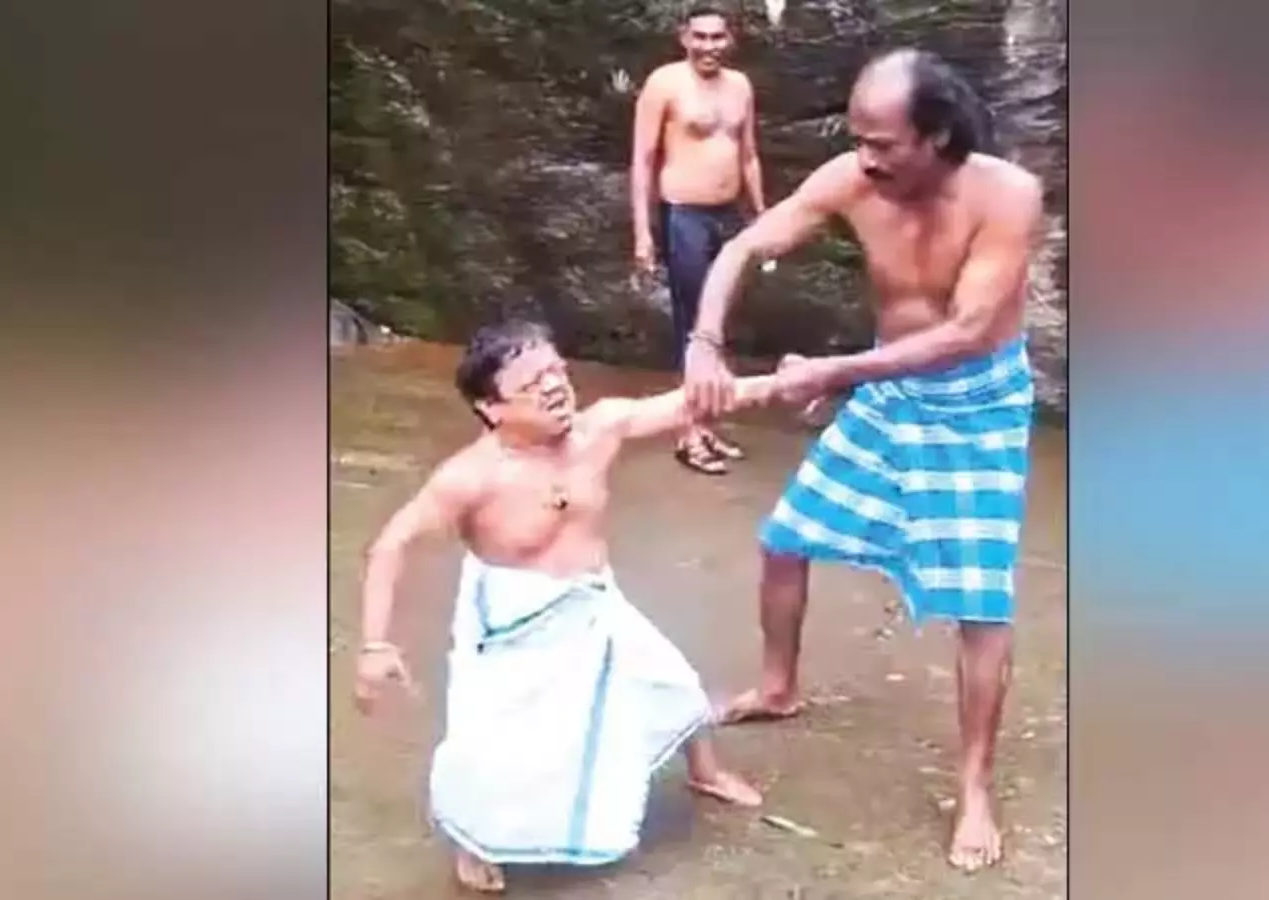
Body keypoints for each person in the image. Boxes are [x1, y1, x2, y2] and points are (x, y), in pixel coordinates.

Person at [682, 48, 1043, 872]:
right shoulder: (851, 179)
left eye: (882, 143)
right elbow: (745, 247)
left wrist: (833, 374)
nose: (865, 158)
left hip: (977, 405)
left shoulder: (1007, 196)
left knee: (980, 602)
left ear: (937, 135)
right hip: (888, 390)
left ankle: (974, 786)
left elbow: (965, 332)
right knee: (785, 540)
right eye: (858, 139)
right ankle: (779, 686)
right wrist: (704, 342)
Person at [353, 319, 776, 893]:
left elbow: (690, 402)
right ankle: (472, 840)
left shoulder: (599, 428)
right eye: (532, 383)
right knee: (489, 747)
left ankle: (706, 771)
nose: (555, 386)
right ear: (491, 408)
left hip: (594, 597)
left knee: (671, 682)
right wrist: (375, 645)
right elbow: (391, 545)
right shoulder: (469, 478)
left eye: (556, 370)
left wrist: (784, 383)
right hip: (513, 619)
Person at [631, 2, 767, 475]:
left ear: (730, 40)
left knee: (718, 322)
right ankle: (689, 432)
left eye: (717, 37)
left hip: (726, 216)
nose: (709, 46)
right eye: (700, 37)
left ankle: (707, 425)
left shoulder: (740, 86)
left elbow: (748, 155)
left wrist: (762, 216)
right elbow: (642, 160)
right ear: (684, 38)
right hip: (684, 215)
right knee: (693, 326)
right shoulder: (664, 83)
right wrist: (643, 232)